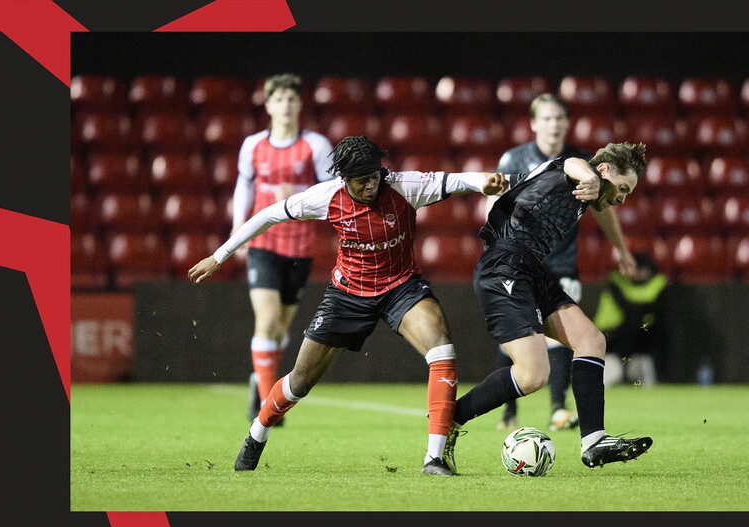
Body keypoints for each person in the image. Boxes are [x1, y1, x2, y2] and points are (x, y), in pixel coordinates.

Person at [189, 136, 511, 476]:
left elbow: (457, 181)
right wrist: (219, 255)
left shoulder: (403, 186)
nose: (371, 184)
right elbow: (267, 215)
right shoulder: (326, 197)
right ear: (344, 178)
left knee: (442, 349)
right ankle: (258, 431)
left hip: (400, 287)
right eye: (362, 180)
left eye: (375, 176)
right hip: (348, 295)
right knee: (300, 381)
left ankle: (434, 459)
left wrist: (482, 181)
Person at [449, 142, 654, 471]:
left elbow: (606, 211)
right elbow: (572, 163)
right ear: (603, 171)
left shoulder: (591, 192)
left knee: (591, 341)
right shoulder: (576, 171)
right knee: (533, 375)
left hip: (530, 268)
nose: (622, 198)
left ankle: (594, 441)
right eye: (623, 188)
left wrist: (623, 252)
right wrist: (589, 174)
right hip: (504, 263)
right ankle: (452, 417)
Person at [491, 93, 638, 432]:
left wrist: (622, 250)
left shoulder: (582, 162)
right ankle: (508, 410)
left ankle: (558, 407)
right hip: (518, 260)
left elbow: (604, 211)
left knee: (559, 335)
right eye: (547, 118)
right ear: (533, 123)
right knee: (518, 333)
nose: (554, 124)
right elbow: (495, 204)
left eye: (559, 118)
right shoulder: (513, 159)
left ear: (567, 123)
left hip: (560, 264)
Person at [229, 73, 336, 424]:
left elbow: (333, 190)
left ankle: (258, 380)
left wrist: (299, 197)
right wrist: (238, 230)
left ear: (300, 104)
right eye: (279, 99)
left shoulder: (316, 146)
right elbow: (243, 188)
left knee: (282, 328)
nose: (286, 105)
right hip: (263, 241)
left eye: (292, 98)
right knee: (269, 318)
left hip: (300, 243)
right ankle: (267, 403)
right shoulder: (253, 145)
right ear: (268, 104)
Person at [593, 252, 670, 387]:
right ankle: (621, 371)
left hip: (640, 336)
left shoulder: (658, 283)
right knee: (631, 327)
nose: (638, 274)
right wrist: (645, 308)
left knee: (648, 329)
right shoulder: (616, 282)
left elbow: (657, 309)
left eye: (642, 270)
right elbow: (628, 309)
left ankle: (642, 373)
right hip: (608, 334)